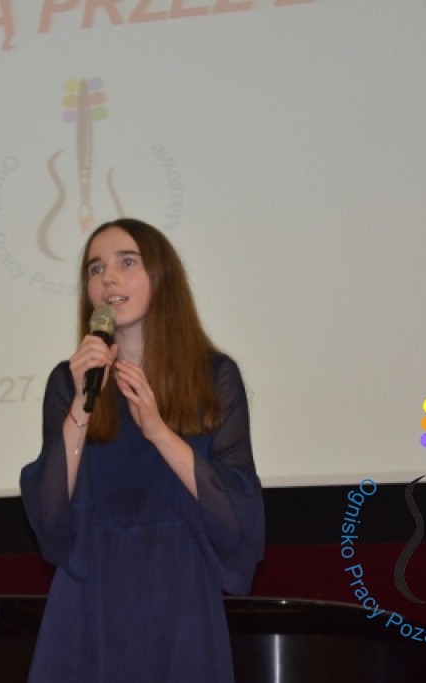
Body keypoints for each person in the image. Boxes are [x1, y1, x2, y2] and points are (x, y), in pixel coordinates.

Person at [20, 218, 265, 682]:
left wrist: (158, 432)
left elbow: (238, 514)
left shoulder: (214, 377)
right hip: (89, 597)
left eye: (126, 262)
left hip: (180, 594)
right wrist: (81, 404)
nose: (108, 278)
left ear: (161, 275)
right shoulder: (69, 383)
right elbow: (48, 513)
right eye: (96, 269)